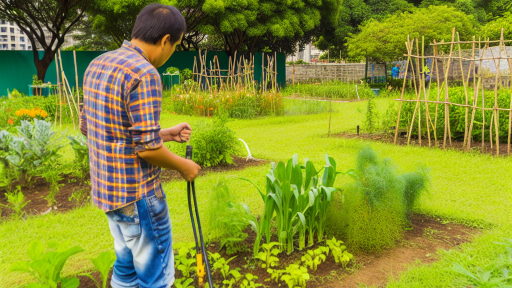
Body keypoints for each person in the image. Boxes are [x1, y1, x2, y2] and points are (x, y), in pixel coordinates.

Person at [79, 4, 201, 288]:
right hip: (138, 196)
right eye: (176, 46)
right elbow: (146, 149)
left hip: (109, 194)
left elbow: (95, 127)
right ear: (165, 41)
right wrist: (184, 166)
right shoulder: (145, 74)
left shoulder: (98, 64)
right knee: (155, 275)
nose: (172, 53)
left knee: (126, 266)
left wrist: (166, 134)